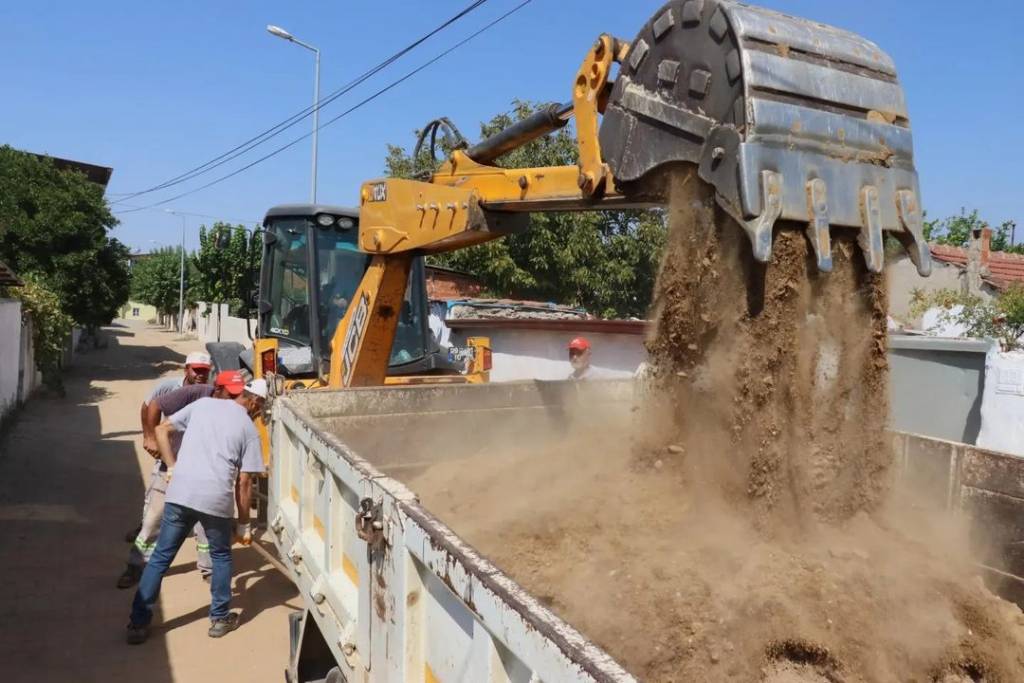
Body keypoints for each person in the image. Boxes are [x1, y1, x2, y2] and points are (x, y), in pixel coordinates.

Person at [126, 379, 268, 644]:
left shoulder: (202, 405)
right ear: (254, 402)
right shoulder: (249, 429)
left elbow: (162, 429)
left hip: (180, 492)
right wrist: (244, 524)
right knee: (221, 557)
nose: (259, 413)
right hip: (215, 500)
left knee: (160, 558)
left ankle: (137, 623)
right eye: (260, 408)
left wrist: (171, 467)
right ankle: (219, 618)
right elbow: (244, 482)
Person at [116, 370, 247, 588]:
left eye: (238, 395)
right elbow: (156, 408)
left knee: (206, 529)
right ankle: (135, 566)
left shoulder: (237, 410)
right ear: (218, 389)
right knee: (152, 522)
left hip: (205, 477)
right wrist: (154, 442)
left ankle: (209, 570)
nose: (234, 399)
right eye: (231, 394)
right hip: (172, 469)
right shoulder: (196, 396)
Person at [126, 351, 212, 544]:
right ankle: (144, 528)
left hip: (194, 456)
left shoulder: (209, 392)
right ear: (186, 369)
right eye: (196, 370)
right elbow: (147, 406)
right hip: (168, 452)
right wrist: (150, 437)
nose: (200, 374)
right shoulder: (169, 387)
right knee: (154, 497)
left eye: (204, 371)